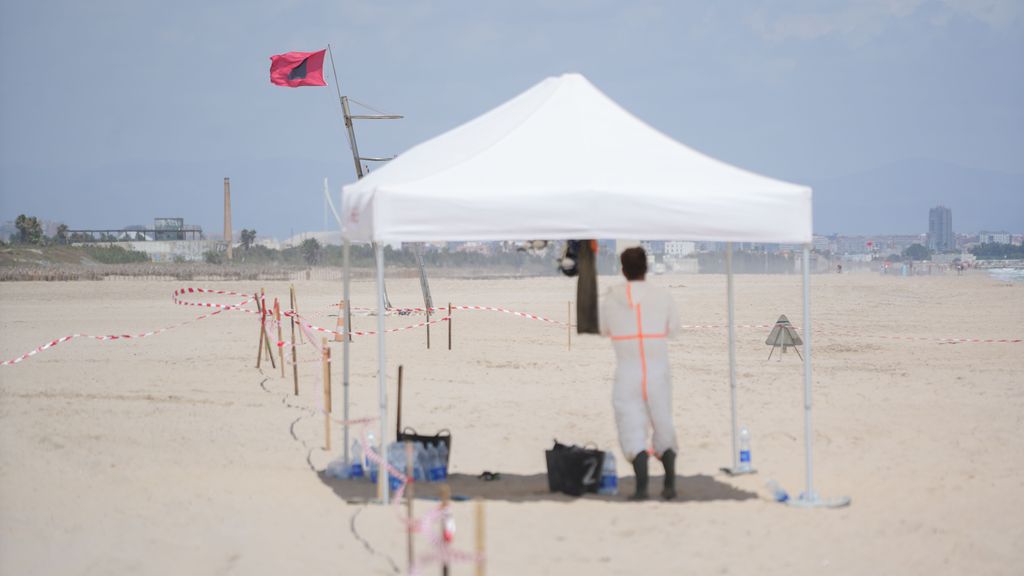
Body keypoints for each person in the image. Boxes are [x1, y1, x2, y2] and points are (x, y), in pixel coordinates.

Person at [599, 247, 681, 500]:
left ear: (622, 270)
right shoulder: (662, 296)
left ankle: (642, 487)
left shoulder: (611, 298)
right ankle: (669, 484)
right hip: (657, 369)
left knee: (630, 425)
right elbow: (674, 330)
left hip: (627, 368)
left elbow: (603, 329)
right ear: (646, 267)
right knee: (662, 420)